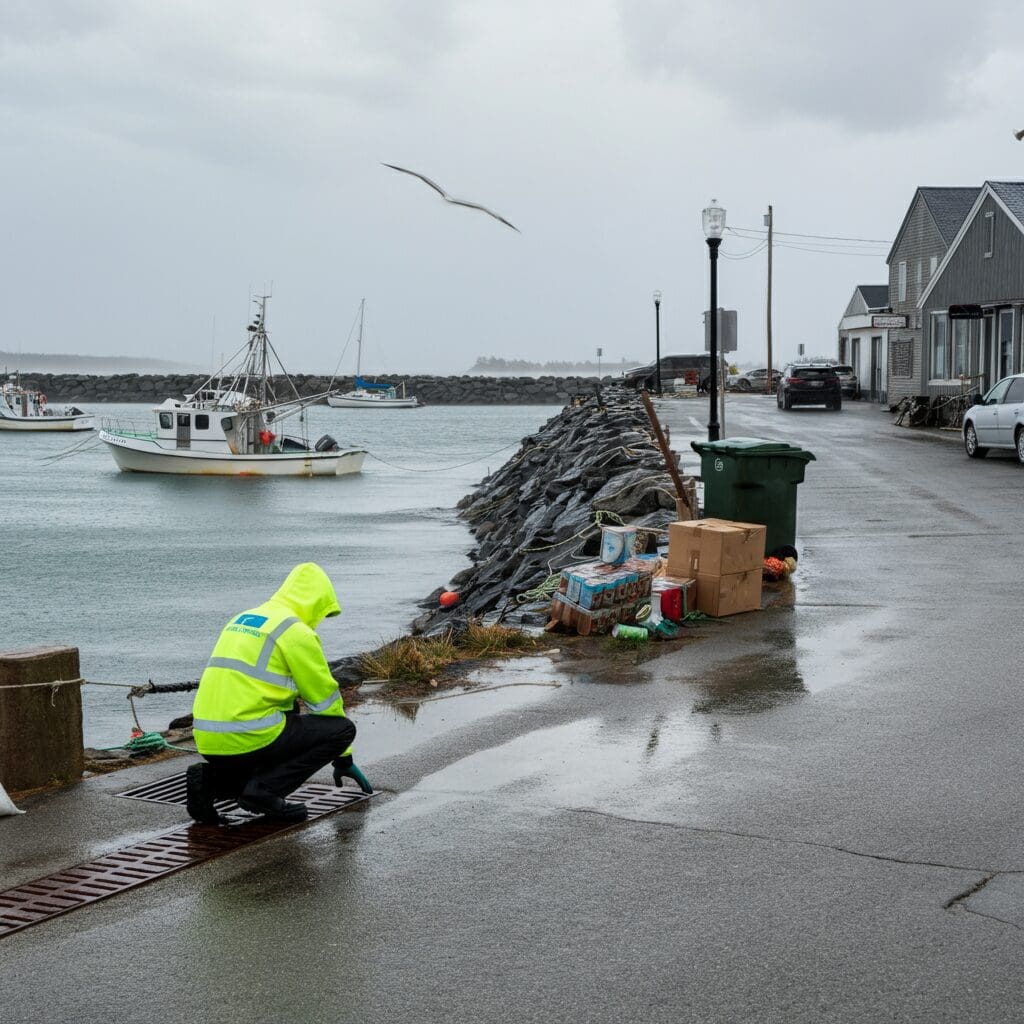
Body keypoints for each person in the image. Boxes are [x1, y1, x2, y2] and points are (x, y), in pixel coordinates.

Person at [185, 562, 372, 824]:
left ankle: (211, 781)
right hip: (249, 736)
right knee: (341, 730)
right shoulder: (295, 631)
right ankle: (264, 792)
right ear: (315, 602)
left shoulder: (244, 618)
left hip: (207, 738)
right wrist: (343, 758)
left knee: (287, 715)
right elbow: (325, 701)